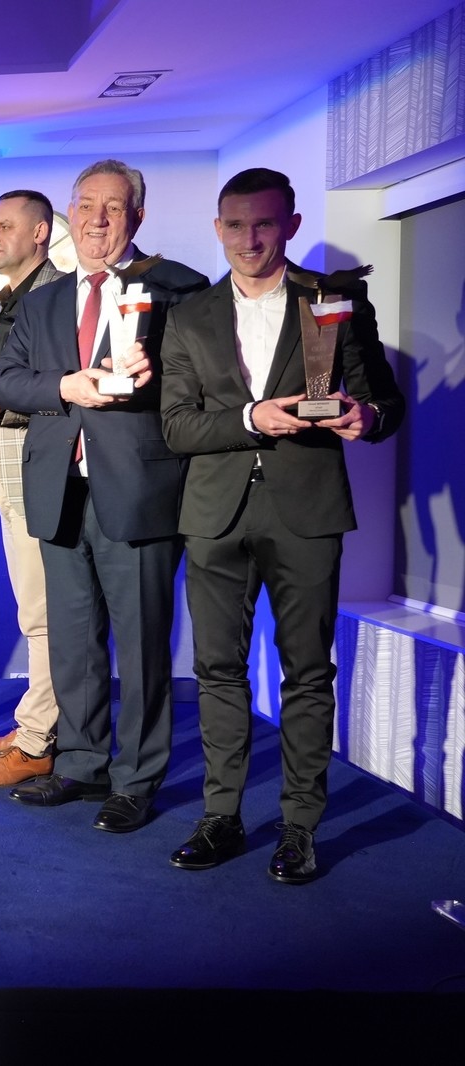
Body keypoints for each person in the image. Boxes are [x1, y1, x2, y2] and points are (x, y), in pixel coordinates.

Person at [161, 167, 404, 882]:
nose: (249, 239)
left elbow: (383, 402)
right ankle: (221, 816)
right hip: (215, 515)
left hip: (307, 509)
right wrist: (249, 418)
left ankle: (300, 827)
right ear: (217, 229)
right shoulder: (189, 315)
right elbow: (176, 426)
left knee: (307, 672)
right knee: (217, 670)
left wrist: (366, 417)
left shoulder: (335, 300)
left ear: (291, 225)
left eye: (264, 223)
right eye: (235, 225)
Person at [0, 159, 208, 834]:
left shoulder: (178, 288)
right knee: (74, 642)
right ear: (69, 215)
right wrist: (65, 385)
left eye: (113, 207)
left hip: (138, 490)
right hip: (59, 490)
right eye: (86, 205)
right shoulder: (44, 300)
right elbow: (3, 381)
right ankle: (82, 764)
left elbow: (202, 383)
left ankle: (136, 779)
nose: (98, 219)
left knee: (141, 647)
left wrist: (154, 372)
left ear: (137, 216)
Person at [0, 191, 67, 788]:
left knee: (43, 612)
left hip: (39, 468)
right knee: (37, 610)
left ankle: (36, 741)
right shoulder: (5, 300)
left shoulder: (56, 297)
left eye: (5, 226)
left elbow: (56, 389)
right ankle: (40, 724)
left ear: (41, 233)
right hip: (8, 467)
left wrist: (2, 401)